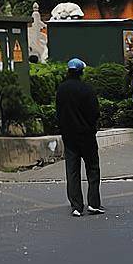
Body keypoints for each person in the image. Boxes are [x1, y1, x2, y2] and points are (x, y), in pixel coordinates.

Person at [56, 58, 103, 217]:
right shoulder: (86, 89)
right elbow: (95, 112)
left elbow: (58, 113)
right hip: (87, 135)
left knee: (72, 171)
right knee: (92, 169)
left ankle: (76, 205)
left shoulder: (61, 89)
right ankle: (93, 203)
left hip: (69, 136)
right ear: (81, 71)